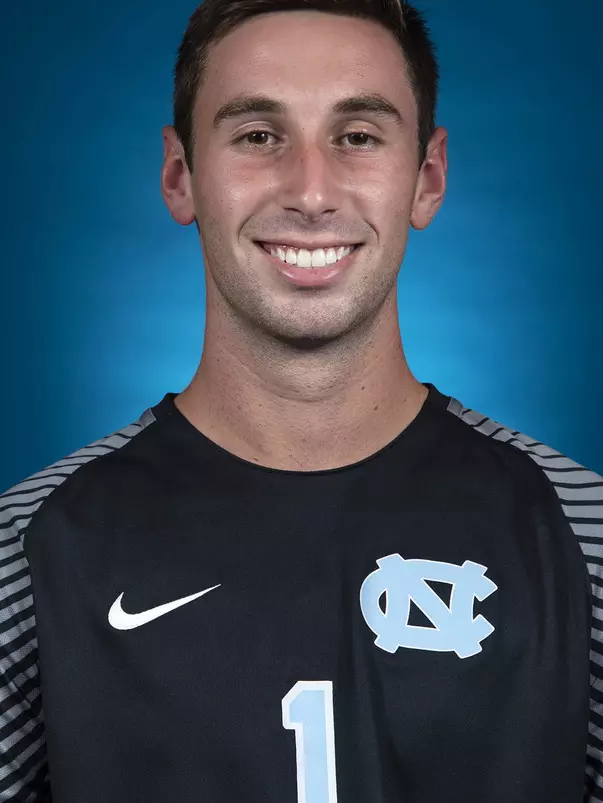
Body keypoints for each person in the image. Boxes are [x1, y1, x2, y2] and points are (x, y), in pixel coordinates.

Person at [0, 0, 601, 800]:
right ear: (181, 176)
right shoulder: (25, 549)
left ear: (427, 178)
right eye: (257, 135)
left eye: (357, 136)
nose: (311, 191)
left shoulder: (581, 534)